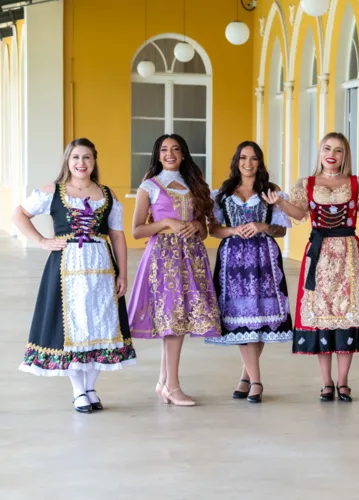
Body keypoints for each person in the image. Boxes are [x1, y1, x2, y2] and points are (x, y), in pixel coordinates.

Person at [13, 138, 136, 413]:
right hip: (66, 269)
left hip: (102, 268)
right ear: (68, 161)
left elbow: (117, 235)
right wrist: (42, 241)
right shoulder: (53, 191)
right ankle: (78, 390)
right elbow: (19, 214)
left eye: (87, 158)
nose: (81, 163)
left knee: (100, 324)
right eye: (76, 158)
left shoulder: (107, 194)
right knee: (73, 326)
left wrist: (123, 273)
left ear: (95, 161)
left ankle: (91, 386)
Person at [266, 132, 359, 402]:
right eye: (327, 148)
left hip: (348, 253)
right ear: (320, 152)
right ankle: (326, 381)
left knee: (346, 313)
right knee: (320, 315)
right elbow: (299, 213)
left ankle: (343, 381)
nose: (332, 154)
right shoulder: (307, 183)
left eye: (338, 150)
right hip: (318, 253)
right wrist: (279, 202)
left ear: (345, 155)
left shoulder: (357, 182)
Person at [128, 134, 220, 407]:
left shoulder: (195, 185)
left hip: (192, 257)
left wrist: (196, 227)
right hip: (163, 260)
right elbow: (136, 230)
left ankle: (163, 382)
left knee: (177, 320)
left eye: (175, 149)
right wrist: (166, 221)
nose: (170, 154)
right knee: (172, 321)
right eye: (164, 150)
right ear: (158, 155)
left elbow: (204, 231)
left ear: (183, 154)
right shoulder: (150, 186)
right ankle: (173, 386)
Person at [206, 141, 294, 404]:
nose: (248, 163)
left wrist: (260, 225)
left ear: (260, 162)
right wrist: (234, 230)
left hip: (264, 258)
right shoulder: (222, 193)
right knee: (243, 316)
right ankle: (255, 380)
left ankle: (247, 377)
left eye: (254, 158)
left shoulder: (270, 192)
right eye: (243, 157)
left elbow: (281, 230)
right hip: (233, 260)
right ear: (236, 161)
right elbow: (213, 229)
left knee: (261, 317)